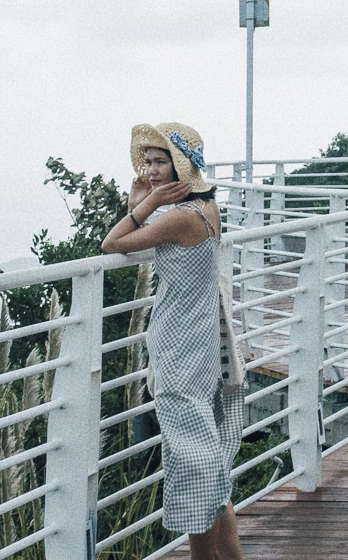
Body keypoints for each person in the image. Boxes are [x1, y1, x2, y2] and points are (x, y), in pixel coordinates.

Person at [103, 122, 246, 560]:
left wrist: (142, 205)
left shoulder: (180, 218)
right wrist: (143, 201)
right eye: (147, 162)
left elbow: (112, 244)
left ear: (182, 166)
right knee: (208, 466)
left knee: (193, 467)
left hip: (178, 349)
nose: (151, 170)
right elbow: (149, 246)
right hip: (199, 346)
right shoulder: (206, 208)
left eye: (160, 161)